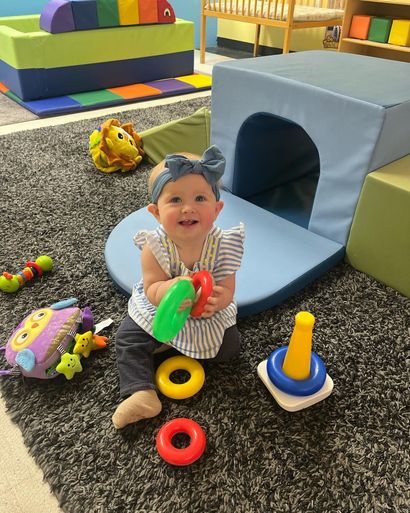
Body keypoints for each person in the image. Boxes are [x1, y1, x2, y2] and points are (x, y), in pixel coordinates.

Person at [112, 145, 245, 429]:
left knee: (231, 348)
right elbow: (151, 288)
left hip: (204, 315)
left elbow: (227, 286)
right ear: (156, 213)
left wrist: (220, 299)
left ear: (217, 209)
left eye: (200, 198)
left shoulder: (224, 245)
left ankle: (168, 347)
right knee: (127, 338)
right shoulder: (155, 246)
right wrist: (168, 289)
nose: (188, 208)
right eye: (175, 199)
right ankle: (141, 392)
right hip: (162, 310)